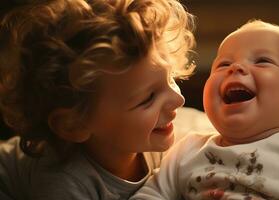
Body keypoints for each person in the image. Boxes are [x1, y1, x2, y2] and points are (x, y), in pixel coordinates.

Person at [130, 20, 279, 199]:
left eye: (262, 61)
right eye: (223, 64)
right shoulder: (187, 149)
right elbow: (152, 194)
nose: (236, 68)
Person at [0, 0, 195, 199]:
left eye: (170, 77)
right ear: (74, 124)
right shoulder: (64, 183)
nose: (178, 99)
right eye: (148, 98)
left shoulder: (163, 136)